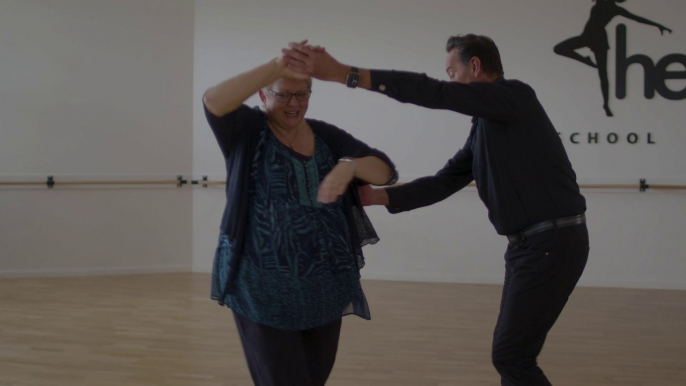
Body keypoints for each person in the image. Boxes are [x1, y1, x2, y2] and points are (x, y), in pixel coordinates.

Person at [283, 34, 589, 386]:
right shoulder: (485, 128)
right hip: (531, 247)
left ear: (474, 66)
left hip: (551, 242)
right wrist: (379, 197)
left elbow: (434, 92)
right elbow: (444, 181)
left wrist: (345, 74)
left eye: (451, 71)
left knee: (512, 356)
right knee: (513, 355)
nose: (448, 80)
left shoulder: (516, 97)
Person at [202, 45, 398, 386]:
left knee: (312, 378)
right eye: (285, 95)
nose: (294, 104)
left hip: (326, 284)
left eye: (302, 95)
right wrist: (278, 64)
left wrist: (349, 166)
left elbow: (385, 171)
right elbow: (214, 102)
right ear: (263, 94)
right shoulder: (246, 130)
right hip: (262, 285)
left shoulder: (326, 136)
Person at [554, 0, 672, 116]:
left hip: (597, 38)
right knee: (559, 49)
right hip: (588, 36)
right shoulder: (604, 4)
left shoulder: (613, 8)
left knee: (603, 73)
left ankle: (606, 104)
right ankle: (586, 61)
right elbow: (637, 18)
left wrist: (658, 25)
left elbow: (637, 18)